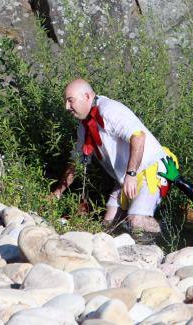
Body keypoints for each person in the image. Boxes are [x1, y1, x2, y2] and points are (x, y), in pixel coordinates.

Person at [53, 79, 177, 233]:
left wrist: (131, 175)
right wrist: (57, 193)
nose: (67, 107)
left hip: (152, 167)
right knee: (108, 226)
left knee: (137, 221)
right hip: (126, 176)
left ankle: (166, 235)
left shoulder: (109, 110)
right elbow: (76, 163)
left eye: (70, 101)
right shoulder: (83, 128)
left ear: (87, 96)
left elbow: (138, 137)